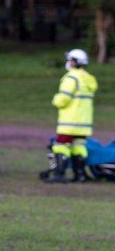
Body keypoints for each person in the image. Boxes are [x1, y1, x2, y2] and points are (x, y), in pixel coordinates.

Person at [45, 49, 98, 183]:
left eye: (69, 60)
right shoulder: (88, 79)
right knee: (78, 147)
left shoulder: (71, 78)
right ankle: (79, 175)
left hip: (69, 122)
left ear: (75, 62)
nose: (67, 62)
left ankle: (60, 174)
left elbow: (63, 99)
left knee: (60, 145)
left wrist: (55, 99)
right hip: (84, 123)